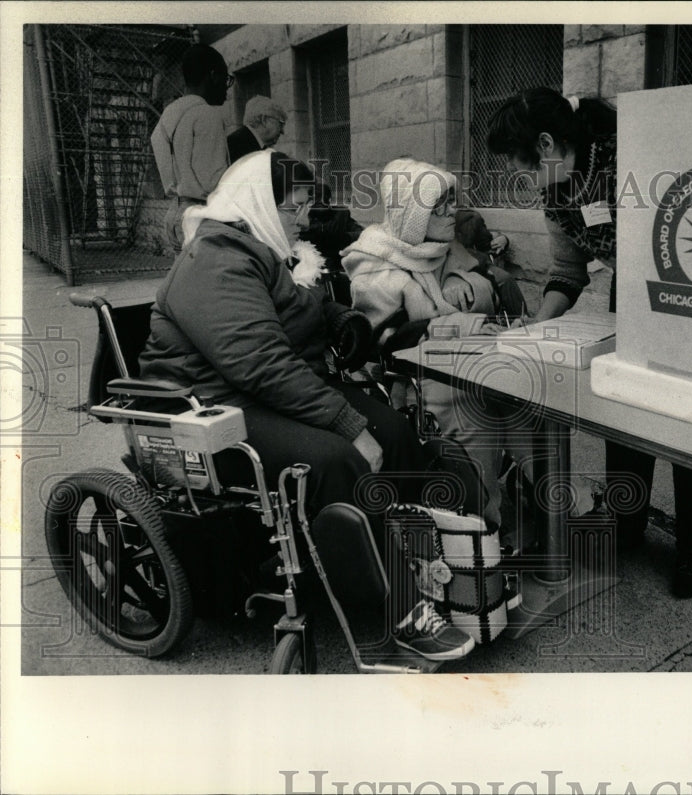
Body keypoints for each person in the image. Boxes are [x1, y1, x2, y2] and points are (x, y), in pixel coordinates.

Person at [138, 150, 475, 661]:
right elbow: (259, 363)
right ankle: (398, 606)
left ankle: (425, 563)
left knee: (394, 432)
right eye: (295, 206)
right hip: (215, 404)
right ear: (261, 203)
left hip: (273, 388)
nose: (303, 217)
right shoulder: (214, 261)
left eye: (305, 205)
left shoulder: (268, 246)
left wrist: (342, 320)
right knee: (339, 459)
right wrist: (344, 421)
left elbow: (303, 306)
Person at [487, 87, 692, 598]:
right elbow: (568, 271)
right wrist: (537, 326)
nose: (519, 180)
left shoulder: (630, 157)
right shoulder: (555, 192)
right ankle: (628, 521)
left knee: (685, 417)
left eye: (520, 167)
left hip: (685, 292)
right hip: (628, 292)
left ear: (547, 144)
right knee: (623, 403)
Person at [340, 158, 514, 531]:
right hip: (419, 379)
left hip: (471, 359)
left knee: (526, 401)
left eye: (453, 201)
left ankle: (567, 506)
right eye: (441, 206)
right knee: (472, 406)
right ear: (414, 215)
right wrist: (451, 325)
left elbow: (488, 289)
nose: (453, 212)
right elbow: (380, 344)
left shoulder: (444, 248)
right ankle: (481, 524)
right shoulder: (376, 266)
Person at [151, 44, 232, 254]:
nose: (226, 88)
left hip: (176, 213)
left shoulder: (169, 113)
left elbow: (158, 143)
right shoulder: (208, 114)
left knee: (188, 281)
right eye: (226, 79)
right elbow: (214, 181)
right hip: (203, 216)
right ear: (212, 75)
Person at [227, 95, 286, 163]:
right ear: (264, 120)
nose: (282, 131)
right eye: (281, 123)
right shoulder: (238, 147)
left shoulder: (241, 142)